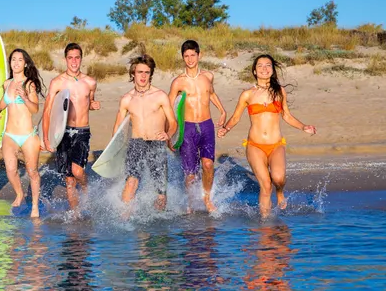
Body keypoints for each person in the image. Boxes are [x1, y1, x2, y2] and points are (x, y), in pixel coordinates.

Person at [218, 54, 317, 217]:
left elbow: (287, 116)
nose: (264, 68)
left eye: (268, 65)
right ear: (255, 71)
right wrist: (226, 128)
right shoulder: (247, 94)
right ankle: (265, 224)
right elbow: (236, 117)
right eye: (260, 66)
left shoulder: (280, 92)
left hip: (276, 144)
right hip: (255, 145)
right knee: (265, 185)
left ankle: (279, 192)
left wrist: (303, 126)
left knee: (278, 178)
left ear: (272, 70)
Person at [113, 55, 177, 214]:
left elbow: (173, 122)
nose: (143, 76)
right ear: (133, 73)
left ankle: (158, 225)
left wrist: (168, 134)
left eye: (147, 72)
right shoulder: (126, 99)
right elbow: (118, 127)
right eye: (139, 72)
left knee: (160, 193)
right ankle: (124, 220)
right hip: (136, 144)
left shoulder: (160, 96)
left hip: (156, 144)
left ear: (151, 74)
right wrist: (114, 150)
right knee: (131, 183)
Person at [168, 40, 226, 213]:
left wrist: (222, 111)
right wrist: (169, 133)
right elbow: (168, 107)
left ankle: (207, 198)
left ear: (199, 55)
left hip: (206, 125)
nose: (190, 59)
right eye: (186, 56)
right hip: (188, 128)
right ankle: (191, 202)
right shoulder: (178, 82)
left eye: (193, 55)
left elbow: (212, 94)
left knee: (208, 165)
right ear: (182, 57)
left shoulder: (208, 76)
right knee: (191, 173)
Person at [42, 42, 100, 211]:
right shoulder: (57, 83)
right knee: (69, 180)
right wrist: (46, 138)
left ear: (81, 59)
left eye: (77, 57)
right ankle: (75, 216)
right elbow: (47, 111)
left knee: (78, 172)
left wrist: (93, 105)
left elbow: (87, 102)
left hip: (82, 131)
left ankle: (86, 187)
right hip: (63, 133)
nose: (74, 61)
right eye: (70, 58)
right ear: (65, 59)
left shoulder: (90, 82)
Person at [0, 48, 45, 218]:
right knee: (10, 170)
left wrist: (25, 97)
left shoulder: (29, 84)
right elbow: (4, 100)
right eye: (13, 59)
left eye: (19, 60)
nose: (16, 63)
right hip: (9, 135)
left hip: (28, 135)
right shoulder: (6, 83)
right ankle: (20, 194)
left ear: (25, 63)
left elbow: (35, 109)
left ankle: (35, 206)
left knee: (32, 172)